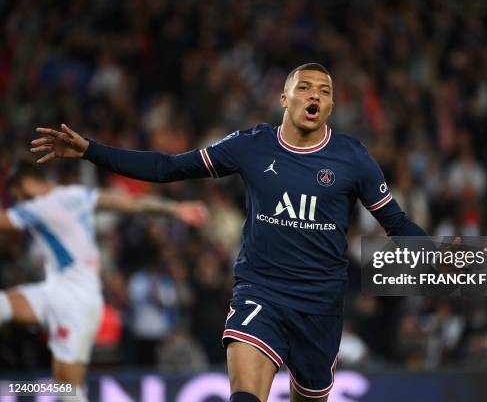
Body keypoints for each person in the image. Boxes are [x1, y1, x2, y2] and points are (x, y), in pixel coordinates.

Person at [30, 63, 430, 402]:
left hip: (320, 307)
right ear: (284, 99)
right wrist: (91, 150)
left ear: (330, 105)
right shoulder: (251, 145)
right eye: (304, 88)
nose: (315, 96)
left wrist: (441, 257)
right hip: (262, 293)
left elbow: (395, 223)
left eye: (324, 91)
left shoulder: (352, 158)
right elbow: (169, 168)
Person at [0, 158, 207, 402]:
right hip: (57, 290)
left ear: (28, 183)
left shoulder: (41, 206)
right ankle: (9, 390)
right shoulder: (77, 195)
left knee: (67, 389)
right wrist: (174, 209)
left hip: (76, 303)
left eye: (18, 194)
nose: (19, 201)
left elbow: (4, 222)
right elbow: (130, 204)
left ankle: (11, 390)